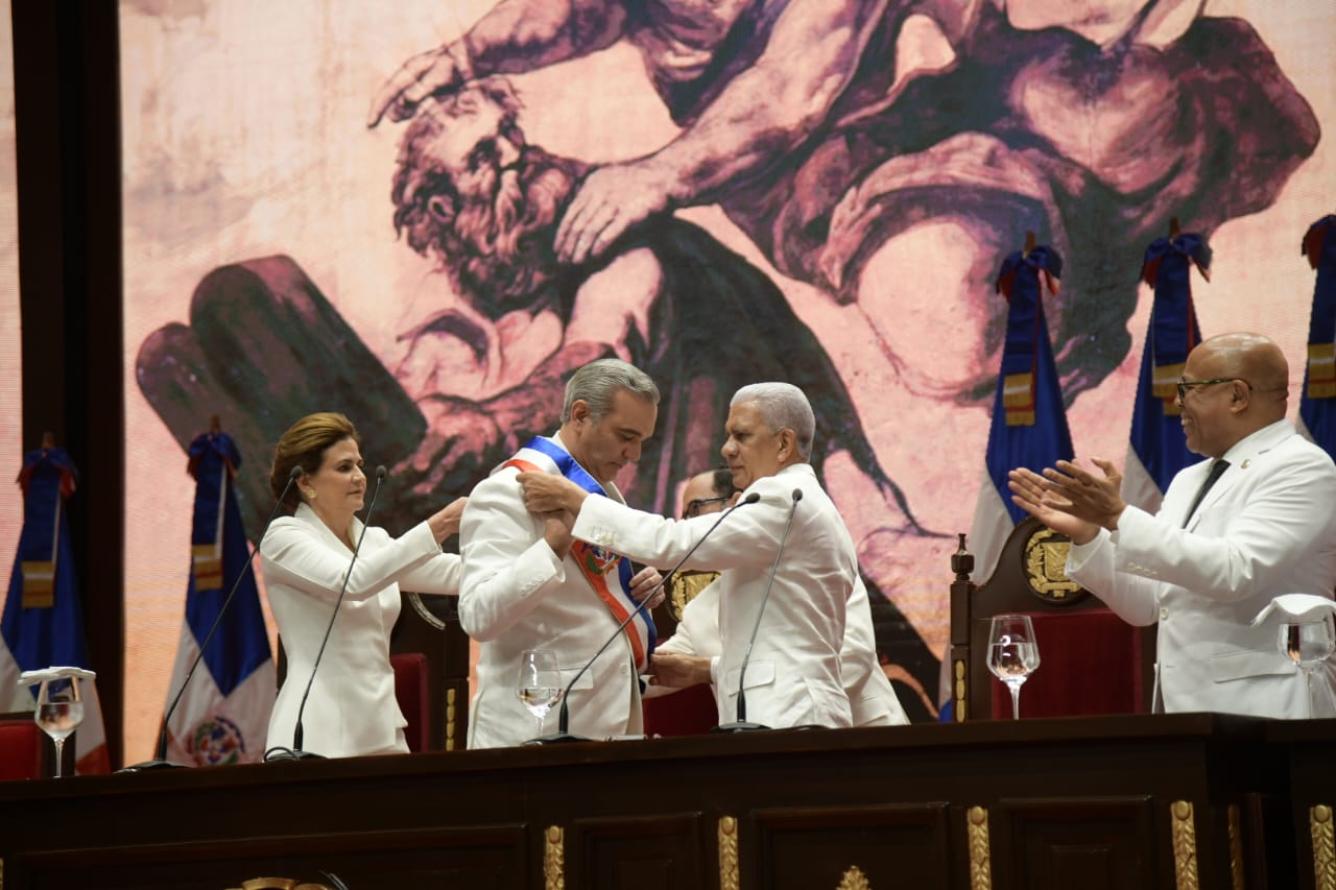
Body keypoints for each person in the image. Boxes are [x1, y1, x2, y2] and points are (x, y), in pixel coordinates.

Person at [1008, 333, 1336, 718]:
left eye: (1188, 388)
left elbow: (1236, 571)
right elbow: (1146, 605)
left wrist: (1119, 517)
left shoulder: (1301, 466)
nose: (1176, 401)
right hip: (1187, 714)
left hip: (1269, 712)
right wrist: (1088, 533)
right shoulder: (1190, 479)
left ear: (1237, 396)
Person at [520, 382, 860, 729]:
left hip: (791, 714)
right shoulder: (799, 499)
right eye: (728, 435)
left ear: (784, 443)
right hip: (785, 712)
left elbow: (676, 542)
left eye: (742, 436)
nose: (727, 449)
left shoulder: (784, 496)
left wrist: (578, 501)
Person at [458, 358, 666, 747]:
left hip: (609, 718)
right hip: (537, 729)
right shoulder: (504, 491)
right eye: (626, 436)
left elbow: (592, 604)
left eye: (642, 440)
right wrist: (553, 547)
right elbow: (478, 615)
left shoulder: (600, 490)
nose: (634, 454)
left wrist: (639, 596)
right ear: (581, 414)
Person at [259, 412, 466, 758]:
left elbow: (454, 574)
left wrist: (544, 551)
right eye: (343, 468)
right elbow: (351, 582)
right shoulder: (283, 538)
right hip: (314, 732)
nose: (359, 477)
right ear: (306, 482)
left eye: (359, 465)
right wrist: (441, 524)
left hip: (382, 728)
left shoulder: (373, 541)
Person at [653, 469, 910, 727]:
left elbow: (854, 656)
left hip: (865, 740)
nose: (686, 522)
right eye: (683, 514)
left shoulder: (821, 564)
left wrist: (711, 670)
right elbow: (654, 671)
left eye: (695, 509)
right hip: (771, 751)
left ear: (739, 504)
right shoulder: (700, 609)